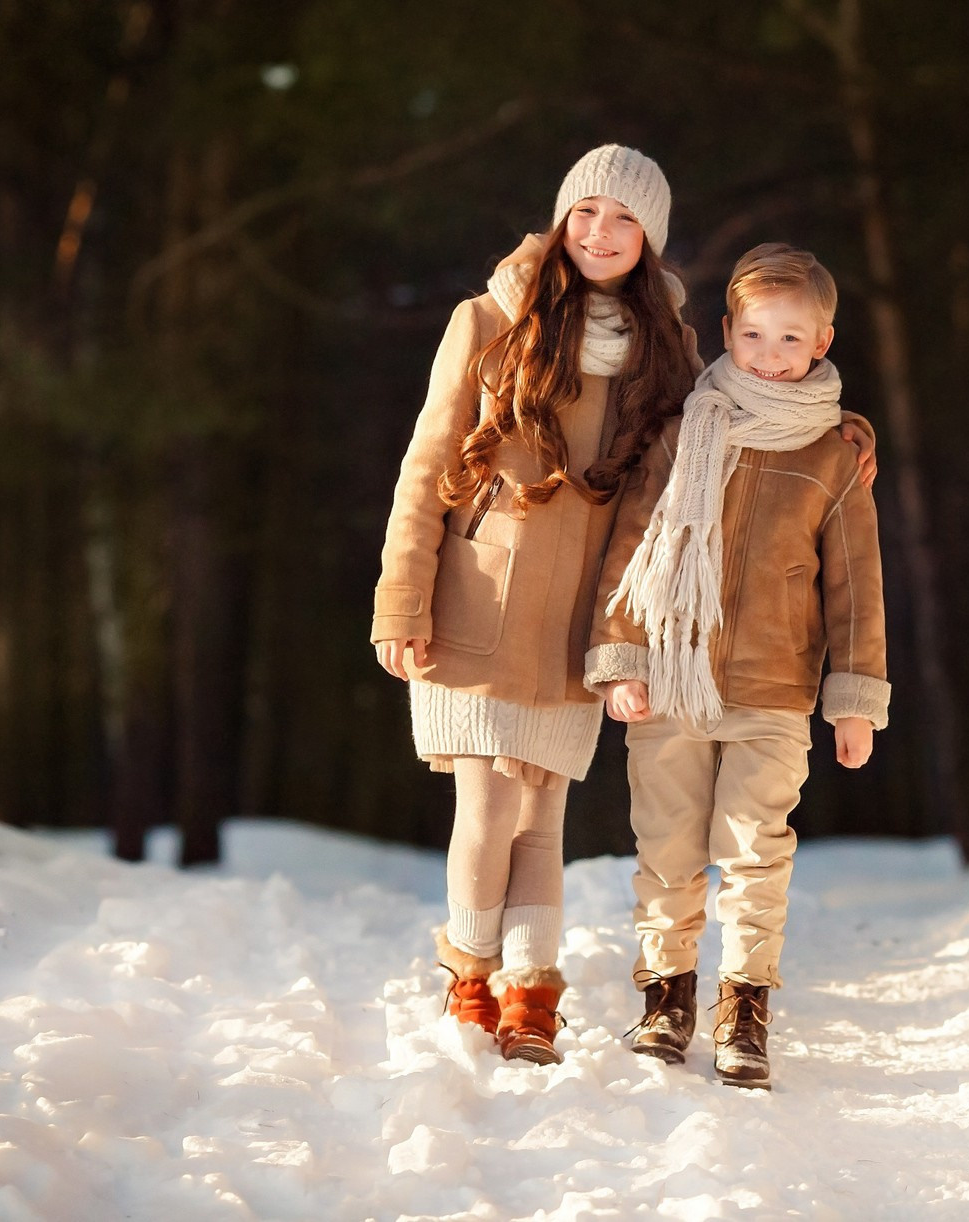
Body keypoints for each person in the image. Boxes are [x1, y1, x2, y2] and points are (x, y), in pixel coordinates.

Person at [371, 152, 876, 1064]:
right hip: (478, 603)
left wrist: (842, 432)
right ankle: (471, 980)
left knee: (543, 816)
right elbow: (423, 465)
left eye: (624, 220)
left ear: (650, 240)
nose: (600, 232)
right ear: (562, 216)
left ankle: (532, 993)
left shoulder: (668, 346)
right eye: (586, 211)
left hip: (581, 619)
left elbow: (735, 421)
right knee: (486, 808)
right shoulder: (488, 320)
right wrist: (399, 598)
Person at [584, 243, 890, 1089]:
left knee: (758, 851)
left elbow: (856, 589)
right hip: (670, 679)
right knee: (668, 848)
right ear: (727, 331)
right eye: (754, 335)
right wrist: (619, 660)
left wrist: (853, 701)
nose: (769, 355)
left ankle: (745, 1007)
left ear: (823, 342)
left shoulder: (833, 454)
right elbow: (632, 548)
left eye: (791, 340)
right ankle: (665, 996)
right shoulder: (686, 433)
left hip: (773, 690)